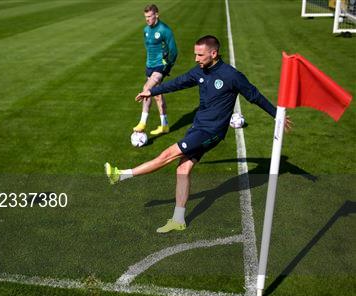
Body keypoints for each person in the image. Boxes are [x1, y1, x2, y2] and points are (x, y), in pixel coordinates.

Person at [105, 35, 292, 233]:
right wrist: (151, 91)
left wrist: (277, 116)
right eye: (195, 54)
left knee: (167, 155)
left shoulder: (231, 76)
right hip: (198, 127)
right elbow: (178, 82)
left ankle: (121, 175)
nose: (196, 58)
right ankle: (178, 220)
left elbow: (254, 96)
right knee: (182, 170)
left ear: (214, 53)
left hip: (211, 131)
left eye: (200, 54)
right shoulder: (200, 71)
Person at [133, 4, 178, 135]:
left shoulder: (165, 30)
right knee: (158, 95)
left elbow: (173, 51)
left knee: (147, 89)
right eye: (145, 17)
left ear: (156, 15)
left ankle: (142, 122)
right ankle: (165, 125)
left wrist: (167, 66)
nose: (147, 19)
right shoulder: (146, 30)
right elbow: (148, 47)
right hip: (150, 66)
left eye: (149, 16)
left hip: (160, 66)